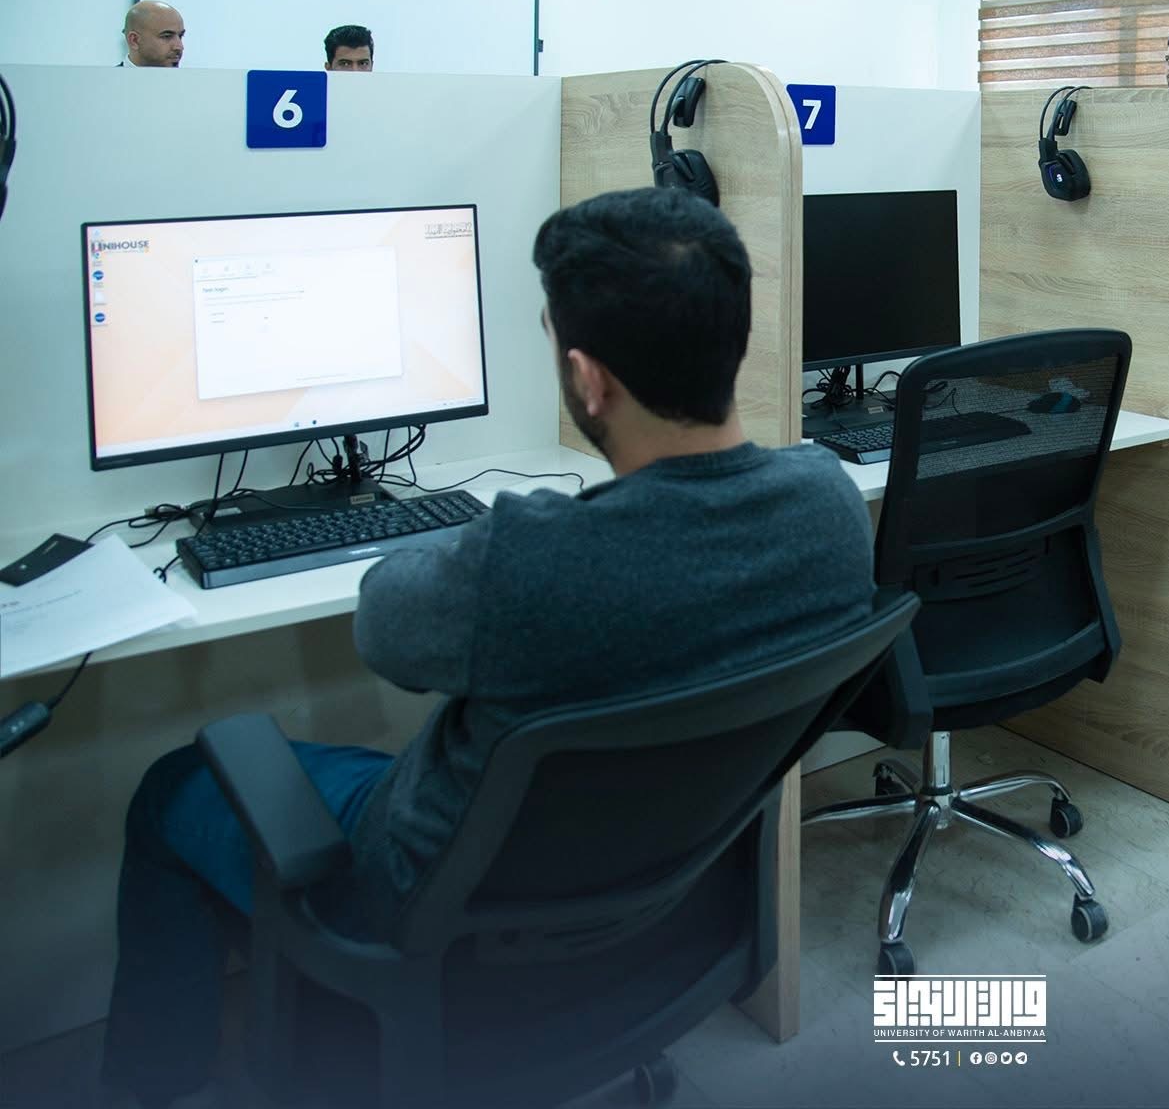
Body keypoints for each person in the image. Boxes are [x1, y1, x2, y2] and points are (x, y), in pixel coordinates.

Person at [101, 188, 878, 1104]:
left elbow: (382, 626)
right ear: (734, 341)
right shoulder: (828, 507)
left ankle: (152, 1083)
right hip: (669, 888)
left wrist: (488, 537)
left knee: (172, 787)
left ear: (588, 380)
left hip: (426, 900)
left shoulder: (531, 560)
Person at [122, 0, 185, 67]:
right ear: (134, 40)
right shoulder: (114, 74)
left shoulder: (188, 74)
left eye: (180, 36)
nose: (179, 47)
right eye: (167, 36)